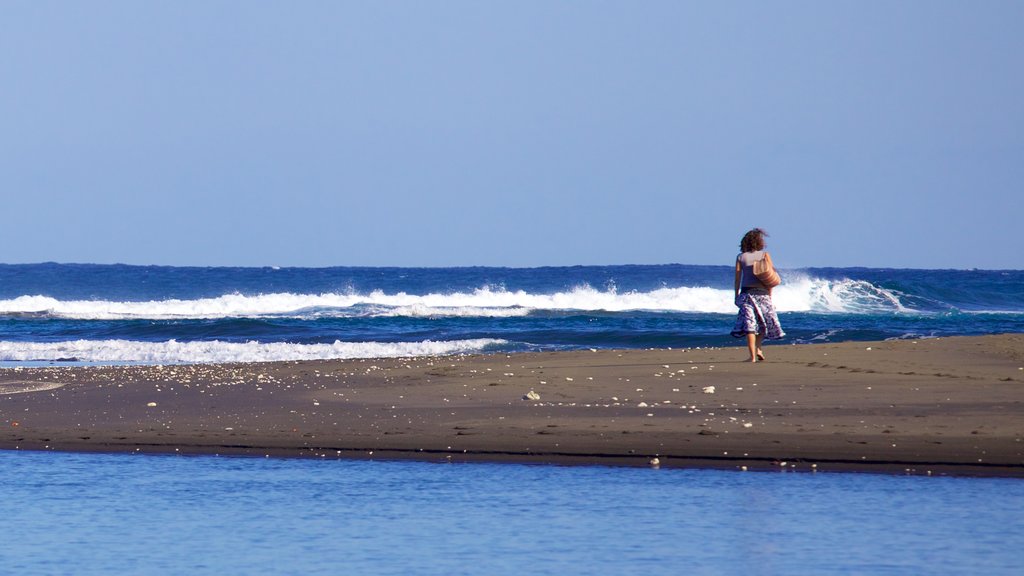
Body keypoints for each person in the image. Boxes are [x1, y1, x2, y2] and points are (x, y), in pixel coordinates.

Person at [731, 228, 785, 362]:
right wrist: (770, 295)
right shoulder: (764, 255)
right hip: (763, 293)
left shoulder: (740, 257)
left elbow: (738, 278)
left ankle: (752, 356)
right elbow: (770, 277)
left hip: (747, 294)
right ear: (759, 242)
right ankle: (758, 348)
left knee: (750, 326)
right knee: (763, 324)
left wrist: (736, 295)